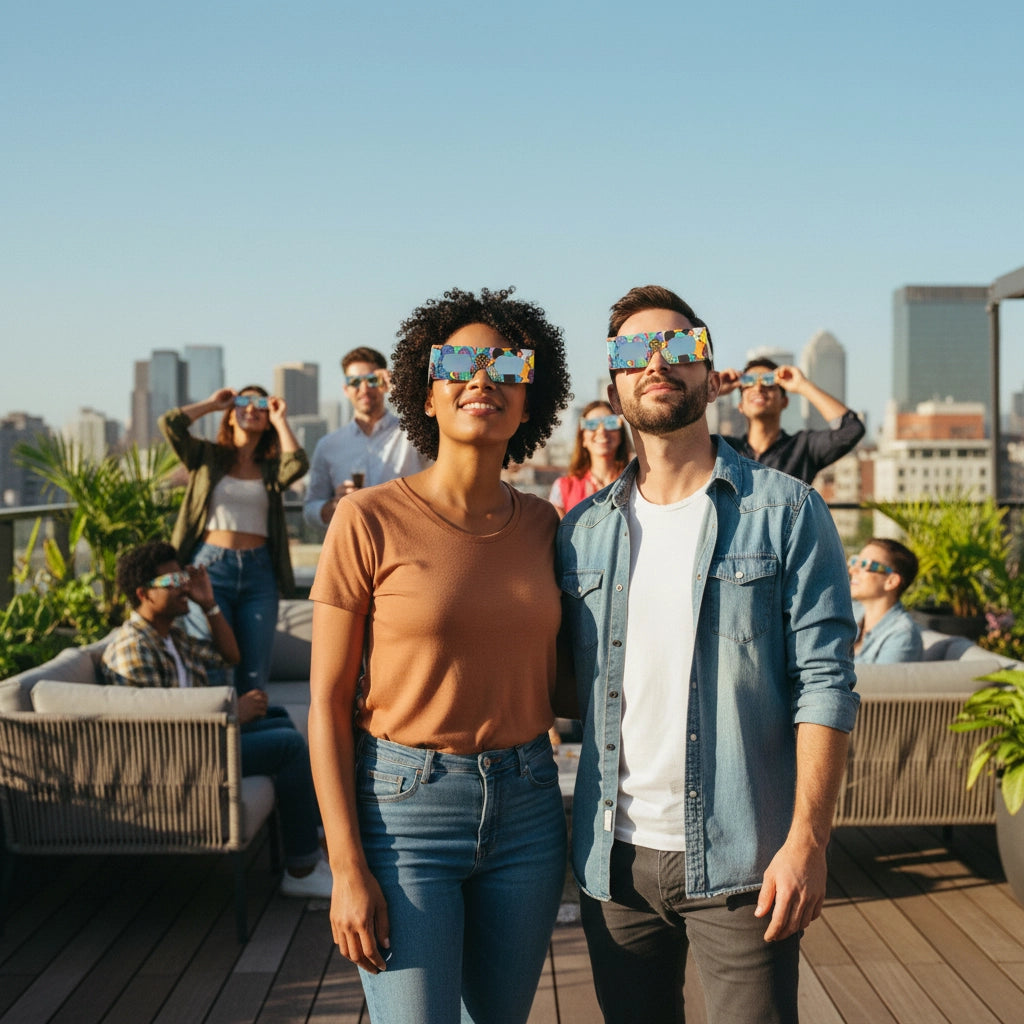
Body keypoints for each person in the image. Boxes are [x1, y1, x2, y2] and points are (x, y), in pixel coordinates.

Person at [557, 284, 860, 1023]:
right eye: (635, 350)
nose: (658, 361)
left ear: (711, 375)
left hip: (745, 861)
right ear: (613, 389)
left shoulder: (787, 510)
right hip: (613, 864)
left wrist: (808, 841)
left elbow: (826, 683)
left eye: (680, 346)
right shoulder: (580, 531)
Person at [308, 287, 573, 1024]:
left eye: (506, 366)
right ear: (425, 395)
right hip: (406, 815)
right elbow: (326, 705)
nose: (482, 378)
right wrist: (345, 867)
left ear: (528, 401)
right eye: (458, 363)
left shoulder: (548, 526)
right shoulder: (366, 519)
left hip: (528, 808)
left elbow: (572, 677)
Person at [101, 541, 333, 898]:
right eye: (173, 581)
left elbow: (230, 655)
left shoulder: (171, 637)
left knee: (279, 719)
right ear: (143, 594)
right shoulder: (133, 648)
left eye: (183, 576)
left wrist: (209, 604)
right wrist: (230, 714)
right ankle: (301, 870)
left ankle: (312, 842)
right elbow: (156, 730)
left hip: (198, 740)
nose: (183, 586)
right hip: (177, 758)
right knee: (287, 746)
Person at [159, 385, 308, 693]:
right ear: (230, 415)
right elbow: (170, 424)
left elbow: (297, 464)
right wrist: (212, 404)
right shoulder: (207, 456)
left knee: (253, 674)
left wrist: (280, 420)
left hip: (260, 572)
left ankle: (252, 725)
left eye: (260, 404)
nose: (251, 408)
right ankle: (218, 724)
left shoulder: (271, 469)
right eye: (243, 401)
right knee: (210, 662)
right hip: (210, 568)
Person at [302, 346, 423, 529]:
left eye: (372, 380)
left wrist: (400, 389)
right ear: (346, 389)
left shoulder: (413, 433)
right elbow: (310, 510)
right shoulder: (328, 445)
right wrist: (334, 505)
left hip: (405, 536)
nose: (364, 389)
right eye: (355, 381)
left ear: (384, 383)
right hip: (353, 540)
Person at [717, 357, 865, 484]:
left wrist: (803, 385)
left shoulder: (803, 447)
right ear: (740, 406)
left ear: (784, 401)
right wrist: (713, 390)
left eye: (769, 381)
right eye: (749, 382)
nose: (759, 387)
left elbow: (851, 429)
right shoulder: (723, 449)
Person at [549, 399, 633, 517]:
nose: (602, 431)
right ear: (582, 438)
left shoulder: (638, 483)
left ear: (621, 433)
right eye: (591, 424)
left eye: (610, 422)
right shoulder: (563, 489)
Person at [849, 537, 924, 664]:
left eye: (864, 564)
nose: (852, 570)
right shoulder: (849, 612)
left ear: (891, 581)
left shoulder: (902, 636)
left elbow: (877, 679)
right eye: (855, 562)